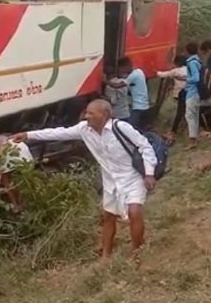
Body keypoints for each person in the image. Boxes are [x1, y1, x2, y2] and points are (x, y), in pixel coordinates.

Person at [9, 99, 157, 259]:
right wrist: (28, 135)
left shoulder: (120, 128)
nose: (86, 116)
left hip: (132, 176)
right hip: (111, 181)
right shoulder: (84, 130)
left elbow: (145, 146)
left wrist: (149, 173)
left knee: (134, 212)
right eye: (86, 113)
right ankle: (106, 254)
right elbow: (58, 132)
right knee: (108, 216)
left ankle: (136, 252)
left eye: (91, 113)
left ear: (105, 114)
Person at [0, 134, 33, 211]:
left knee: (7, 181)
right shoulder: (2, 135)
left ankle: (16, 205)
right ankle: (25, 202)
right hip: (21, 148)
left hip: (8, 152)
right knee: (25, 178)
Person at [106, 57, 150, 131]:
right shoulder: (139, 71)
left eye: (122, 69)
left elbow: (117, 86)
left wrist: (105, 81)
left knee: (132, 130)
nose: (121, 71)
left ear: (127, 66)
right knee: (139, 129)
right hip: (145, 106)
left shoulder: (133, 76)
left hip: (138, 107)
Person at [157, 55, 187, 145]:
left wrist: (155, 71)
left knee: (180, 112)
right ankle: (183, 127)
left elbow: (162, 75)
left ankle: (174, 131)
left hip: (180, 93)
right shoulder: (187, 69)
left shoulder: (176, 71)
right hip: (189, 93)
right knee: (184, 110)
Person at [184, 42, 204, 148]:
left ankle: (192, 140)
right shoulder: (198, 61)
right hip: (197, 92)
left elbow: (196, 78)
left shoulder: (191, 62)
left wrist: (185, 79)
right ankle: (194, 137)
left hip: (192, 91)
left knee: (190, 115)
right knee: (194, 115)